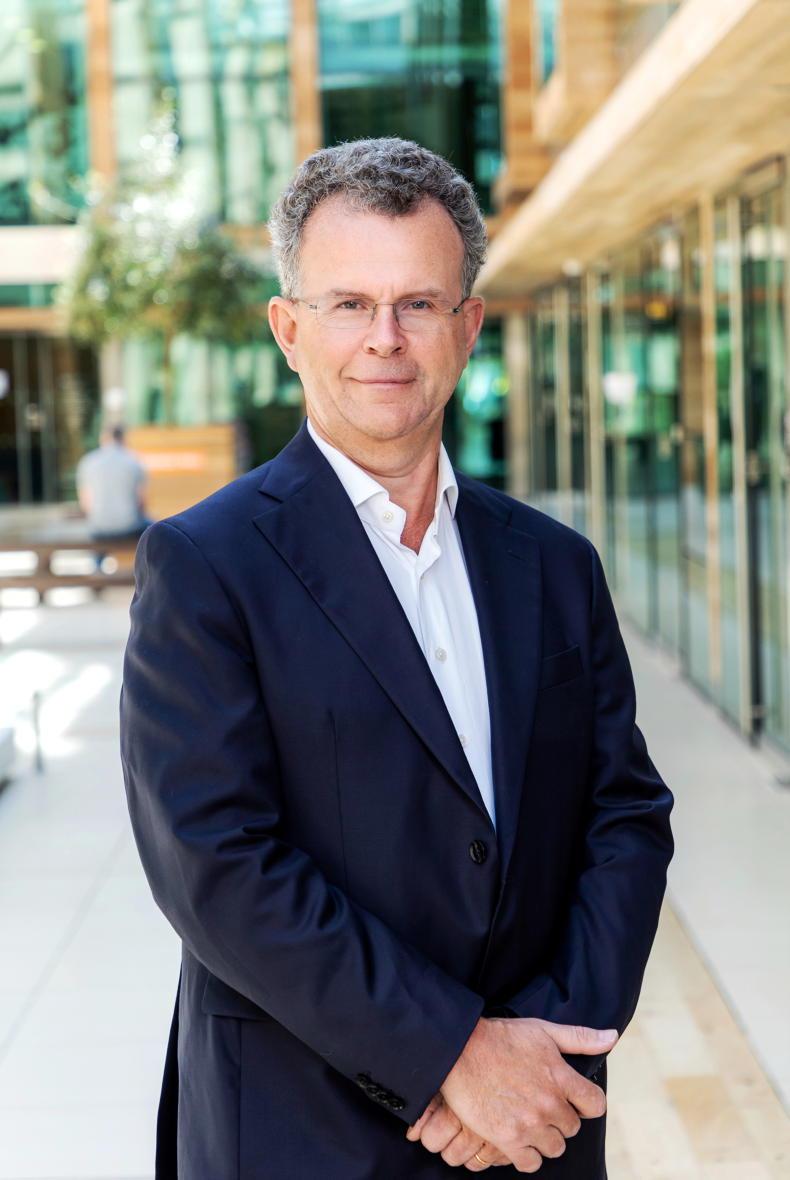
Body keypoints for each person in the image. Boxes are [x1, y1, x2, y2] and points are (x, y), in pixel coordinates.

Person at [120, 137, 674, 1179]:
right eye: (348, 304)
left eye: (419, 303)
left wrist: (547, 1053)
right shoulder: (204, 565)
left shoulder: (555, 564)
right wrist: (453, 1056)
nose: (385, 338)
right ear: (289, 329)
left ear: (469, 326)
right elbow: (216, 864)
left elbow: (624, 816)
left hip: (535, 1127)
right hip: (300, 1132)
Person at [76, 423, 149, 541]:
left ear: (103, 438)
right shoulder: (134, 461)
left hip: (98, 528)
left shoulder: (88, 461)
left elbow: (85, 504)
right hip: (129, 527)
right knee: (155, 526)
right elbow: (141, 502)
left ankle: (98, 556)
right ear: (123, 438)